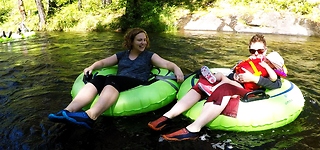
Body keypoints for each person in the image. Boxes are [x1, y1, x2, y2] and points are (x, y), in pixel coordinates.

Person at [148, 34, 284, 141]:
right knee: (203, 82)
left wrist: (254, 78)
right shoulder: (246, 62)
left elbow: (277, 83)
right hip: (236, 84)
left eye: (259, 51)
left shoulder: (269, 64)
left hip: (250, 92)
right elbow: (233, 74)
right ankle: (167, 117)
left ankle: (193, 129)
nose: (255, 54)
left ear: (265, 50)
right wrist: (235, 76)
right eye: (252, 50)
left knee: (225, 87)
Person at [48, 28, 184, 129]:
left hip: (137, 82)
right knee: (99, 78)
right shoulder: (122, 55)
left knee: (113, 79)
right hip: (119, 80)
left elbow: (167, 64)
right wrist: (92, 67)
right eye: (139, 40)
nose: (143, 43)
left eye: (144, 40)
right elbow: (103, 63)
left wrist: (177, 69)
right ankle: (67, 111)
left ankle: (91, 116)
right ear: (131, 41)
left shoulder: (149, 56)